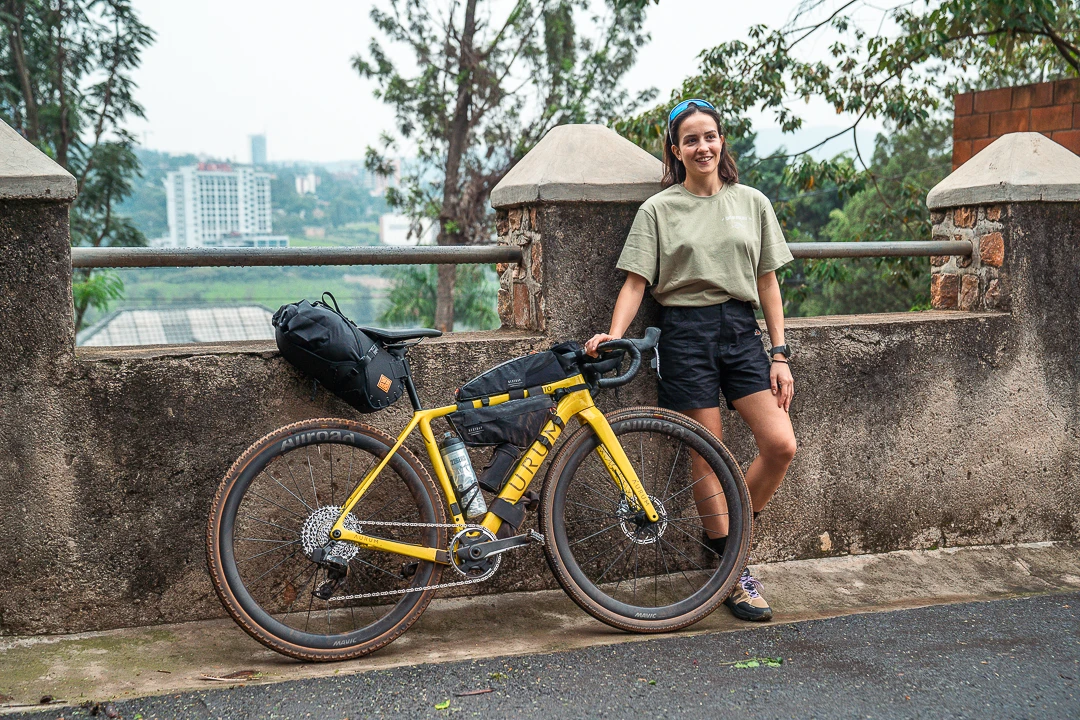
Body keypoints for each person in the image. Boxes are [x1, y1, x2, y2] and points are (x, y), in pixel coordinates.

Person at [585, 98, 797, 622]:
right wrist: (614, 336)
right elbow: (636, 283)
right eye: (691, 140)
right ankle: (733, 567)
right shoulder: (658, 210)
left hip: (741, 332)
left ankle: (725, 542)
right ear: (675, 150)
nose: (703, 147)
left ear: (721, 141)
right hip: (684, 334)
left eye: (710, 136)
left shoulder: (752, 202)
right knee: (707, 455)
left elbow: (768, 282)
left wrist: (779, 353)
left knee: (780, 445)